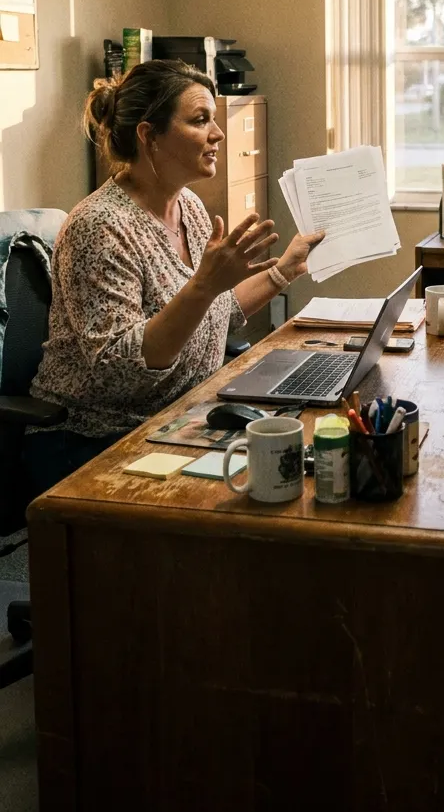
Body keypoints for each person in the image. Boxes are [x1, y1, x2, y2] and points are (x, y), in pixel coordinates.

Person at [27, 60, 322, 495]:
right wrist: (203, 286)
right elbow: (120, 369)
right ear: (149, 135)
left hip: (180, 419)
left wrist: (284, 271)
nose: (218, 134)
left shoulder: (189, 208)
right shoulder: (100, 226)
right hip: (95, 440)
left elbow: (216, 308)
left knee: (305, 456)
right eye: (200, 120)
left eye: (215, 121)